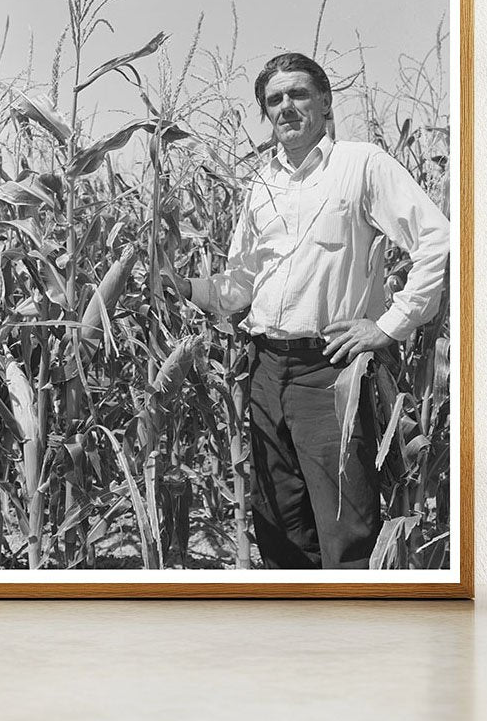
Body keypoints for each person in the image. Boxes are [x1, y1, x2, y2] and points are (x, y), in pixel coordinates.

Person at [166, 52, 450, 569]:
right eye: (274, 99)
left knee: (343, 527)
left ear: (324, 101)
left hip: (330, 371)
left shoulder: (361, 165)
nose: (286, 107)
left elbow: (437, 239)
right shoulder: (261, 186)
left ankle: (349, 642)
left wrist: (387, 325)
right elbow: (242, 285)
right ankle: (292, 641)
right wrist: (177, 283)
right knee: (280, 525)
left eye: (298, 94)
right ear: (265, 113)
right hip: (266, 371)